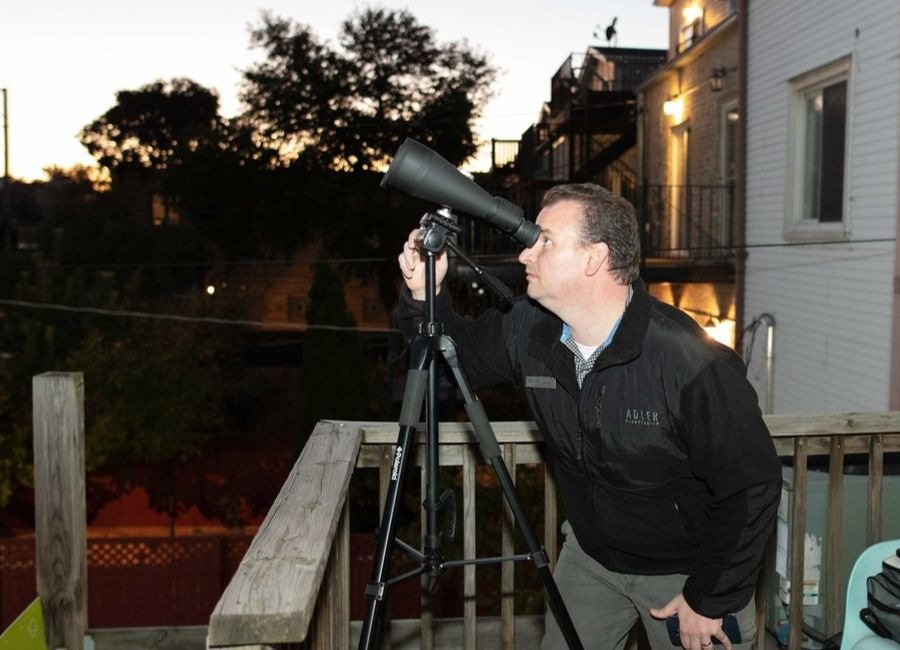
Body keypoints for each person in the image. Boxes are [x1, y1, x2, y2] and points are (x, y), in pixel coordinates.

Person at [396, 183, 782, 650]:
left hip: (688, 568)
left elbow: (752, 485)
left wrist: (709, 598)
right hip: (591, 559)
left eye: (546, 241)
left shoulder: (689, 362)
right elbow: (447, 360)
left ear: (594, 258)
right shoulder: (527, 329)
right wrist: (423, 298)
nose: (525, 256)